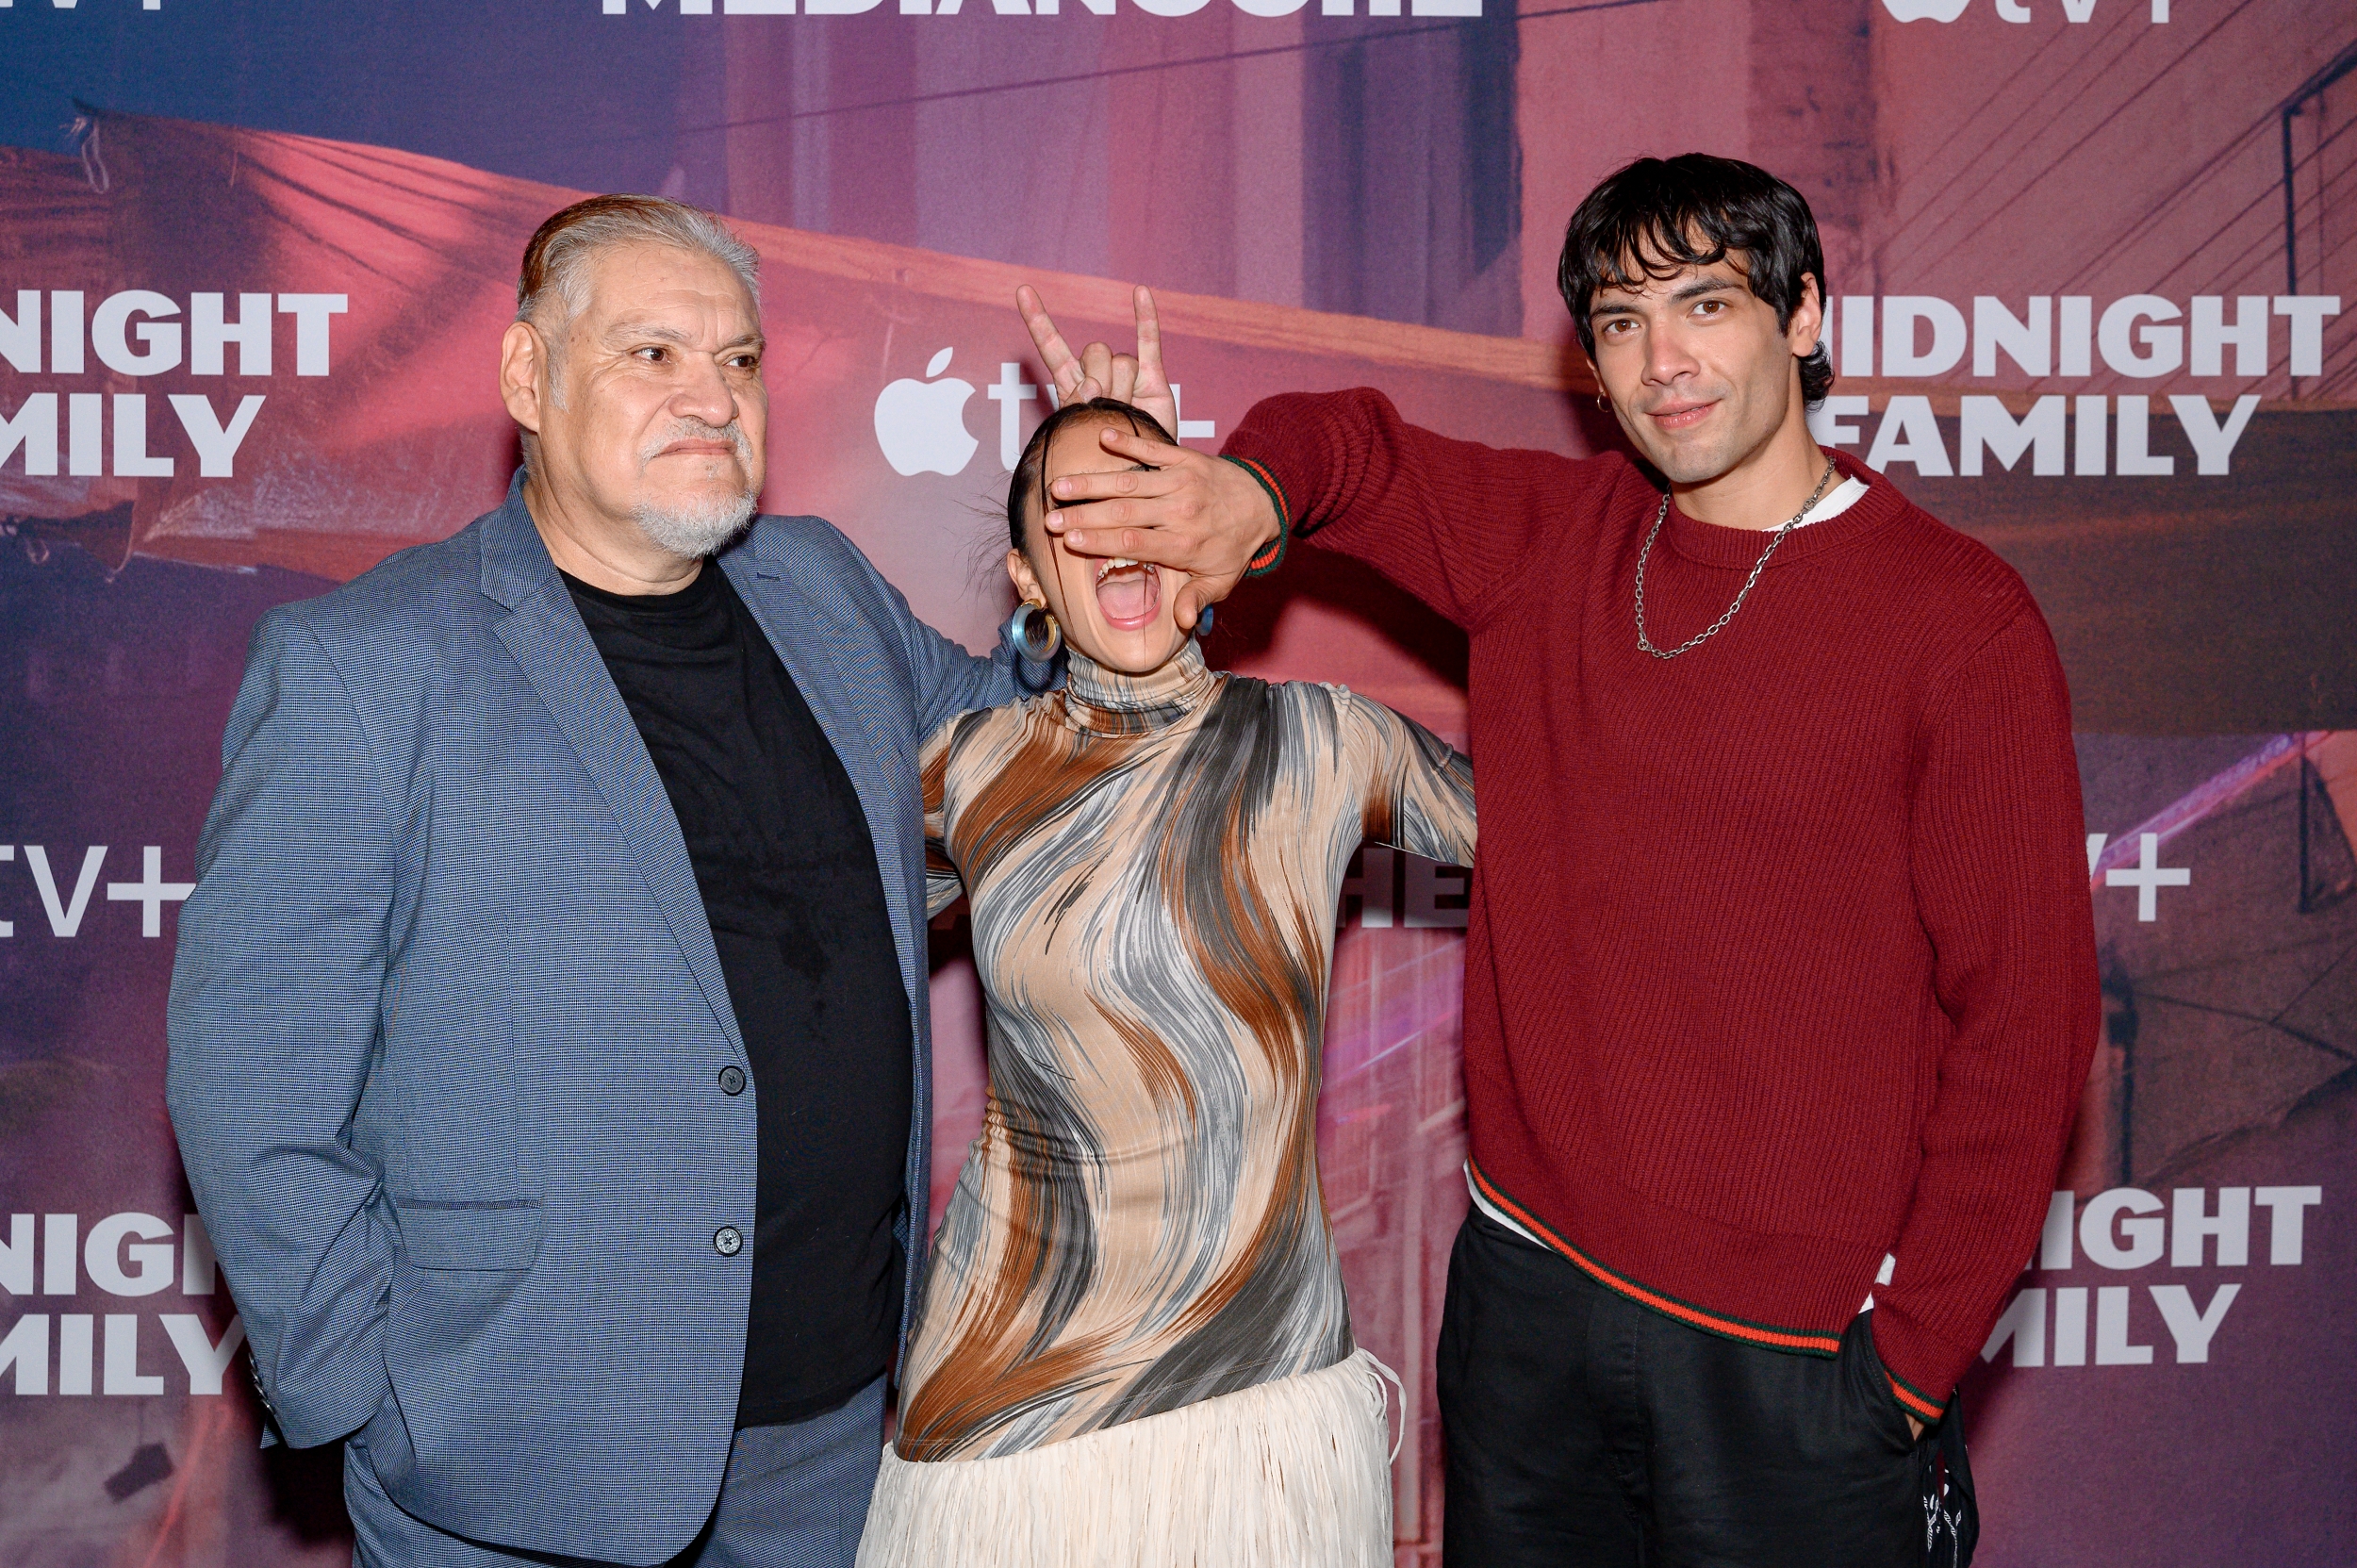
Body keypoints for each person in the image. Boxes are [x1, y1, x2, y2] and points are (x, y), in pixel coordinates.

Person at [1019, 154, 2100, 1563]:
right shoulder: (1556, 541)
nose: (1664, 360)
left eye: (1704, 304)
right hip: (1532, 1304)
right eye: (1618, 323)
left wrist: (1908, 1361)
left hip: (1797, 1358)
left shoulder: (1959, 621)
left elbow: (2027, 1023)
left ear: (1806, 316)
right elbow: (1351, 442)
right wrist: (1250, 493)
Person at [166, 195, 1051, 1568]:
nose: (713, 396)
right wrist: (369, 1395)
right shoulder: (367, 665)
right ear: (528, 376)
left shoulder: (821, 587)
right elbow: (249, 1076)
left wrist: (1096, 576)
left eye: (741, 360)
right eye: (653, 355)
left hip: (833, 1441)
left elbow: (1023, 752)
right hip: (515, 1473)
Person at [853, 391, 1477, 1568]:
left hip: (1257, 1397)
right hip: (1005, 1401)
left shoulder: (1327, 742)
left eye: (1150, 494)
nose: (1123, 530)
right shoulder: (972, 770)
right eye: (1078, 508)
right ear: (1029, 576)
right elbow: (782, 953)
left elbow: (1581, 837)